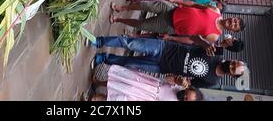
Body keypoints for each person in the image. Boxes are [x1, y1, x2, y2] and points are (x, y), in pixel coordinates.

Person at [90, 36, 246, 88]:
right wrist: (205, 44)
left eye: (233, 69)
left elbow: (189, 84)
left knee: (130, 63)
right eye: (233, 62)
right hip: (166, 48)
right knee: (131, 43)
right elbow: (194, 37)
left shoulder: (212, 81)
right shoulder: (217, 52)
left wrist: (183, 82)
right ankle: (100, 41)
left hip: (163, 67)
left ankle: (104, 59)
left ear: (232, 76)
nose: (231, 65)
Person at [109, 0, 245, 42]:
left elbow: (191, 40)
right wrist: (176, 0)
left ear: (233, 30)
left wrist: (171, 38)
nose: (233, 23)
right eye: (235, 20)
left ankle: (118, 19)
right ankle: (121, 7)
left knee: (141, 24)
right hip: (171, 9)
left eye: (235, 26)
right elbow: (193, 5)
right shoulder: (215, 10)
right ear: (233, 17)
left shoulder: (214, 36)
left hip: (170, 26)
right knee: (145, 5)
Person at [90, 65, 203, 101]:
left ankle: (96, 98)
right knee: (123, 81)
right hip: (149, 84)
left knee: (122, 96)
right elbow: (167, 78)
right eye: (186, 93)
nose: (184, 96)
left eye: (186, 99)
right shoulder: (179, 86)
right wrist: (177, 80)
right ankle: (98, 83)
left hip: (147, 98)